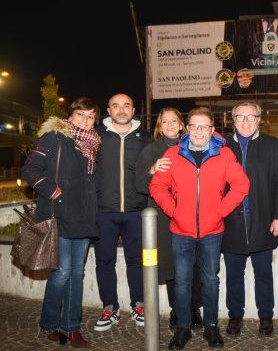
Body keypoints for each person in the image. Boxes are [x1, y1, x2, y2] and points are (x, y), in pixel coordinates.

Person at [150, 107, 249, 349]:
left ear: (212, 130)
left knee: (210, 280)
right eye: (194, 126)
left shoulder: (224, 155)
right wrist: (173, 210)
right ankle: (183, 328)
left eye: (204, 126)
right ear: (188, 129)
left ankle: (211, 326)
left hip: (212, 231)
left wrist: (220, 210)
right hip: (180, 231)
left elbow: (241, 185)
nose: (199, 131)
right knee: (182, 281)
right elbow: (157, 186)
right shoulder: (172, 154)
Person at [21, 97, 101, 348]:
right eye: (80, 115)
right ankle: (50, 323)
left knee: (76, 274)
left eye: (90, 117)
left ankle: (70, 328)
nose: (85, 121)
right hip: (61, 214)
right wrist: (53, 190)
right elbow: (30, 169)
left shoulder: (93, 144)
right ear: (70, 116)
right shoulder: (55, 138)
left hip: (84, 216)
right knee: (62, 272)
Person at [222, 102, 278, 337]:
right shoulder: (222, 146)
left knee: (264, 275)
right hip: (230, 224)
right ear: (233, 119)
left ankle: (266, 317)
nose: (246, 121)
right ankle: (235, 316)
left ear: (259, 119)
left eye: (251, 116)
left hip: (262, 223)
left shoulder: (271, 145)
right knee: (233, 276)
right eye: (241, 116)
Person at [134, 107, 203, 330]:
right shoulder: (150, 151)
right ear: (159, 126)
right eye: (165, 122)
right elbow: (139, 186)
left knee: (194, 263)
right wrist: (152, 170)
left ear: (183, 124)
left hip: (193, 214)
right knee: (173, 266)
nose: (170, 125)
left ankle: (194, 308)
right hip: (164, 217)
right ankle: (178, 310)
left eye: (175, 121)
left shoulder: (194, 146)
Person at [93, 93, 152, 331]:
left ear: (133, 109)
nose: (121, 110)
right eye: (116, 106)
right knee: (104, 261)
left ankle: (138, 305)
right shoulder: (95, 136)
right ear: (108, 110)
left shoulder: (145, 137)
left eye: (126, 105)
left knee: (137, 261)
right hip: (103, 211)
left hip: (135, 210)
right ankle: (110, 307)